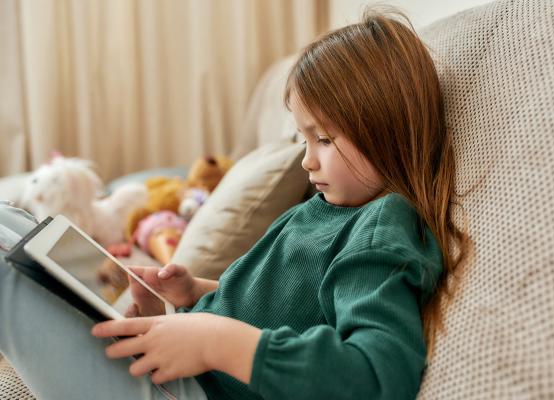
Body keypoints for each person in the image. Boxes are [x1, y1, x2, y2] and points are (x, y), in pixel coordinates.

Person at [0, 8, 471, 400]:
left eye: (323, 138)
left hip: (194, 393)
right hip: (182, 369)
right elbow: (289, 307)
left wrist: (216, 341)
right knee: (13, 225)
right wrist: (199, 294)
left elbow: (378, 375)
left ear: (385, 131)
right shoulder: (332, 208)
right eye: (301, 138)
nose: (307, 160)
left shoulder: (381, 228)